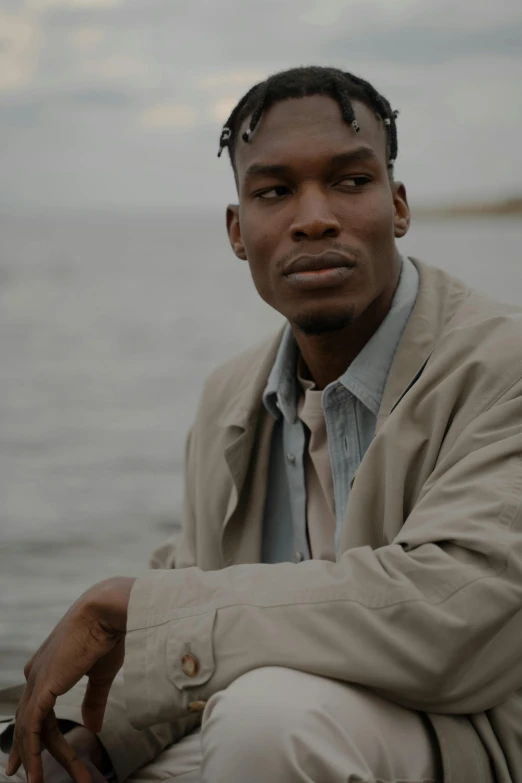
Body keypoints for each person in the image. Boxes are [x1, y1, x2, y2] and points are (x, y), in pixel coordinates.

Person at [1, 64, 522, 783]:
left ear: (398, 205)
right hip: (279, 735)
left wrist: (137, 605)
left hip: (473, 735)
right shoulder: (230, 398)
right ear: (237, 230)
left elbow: (456, 618)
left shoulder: (504, 363)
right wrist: (99, 742)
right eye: (275, 191)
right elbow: (196, 584)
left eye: (350, 180)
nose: (313, 216)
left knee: (268, 720)